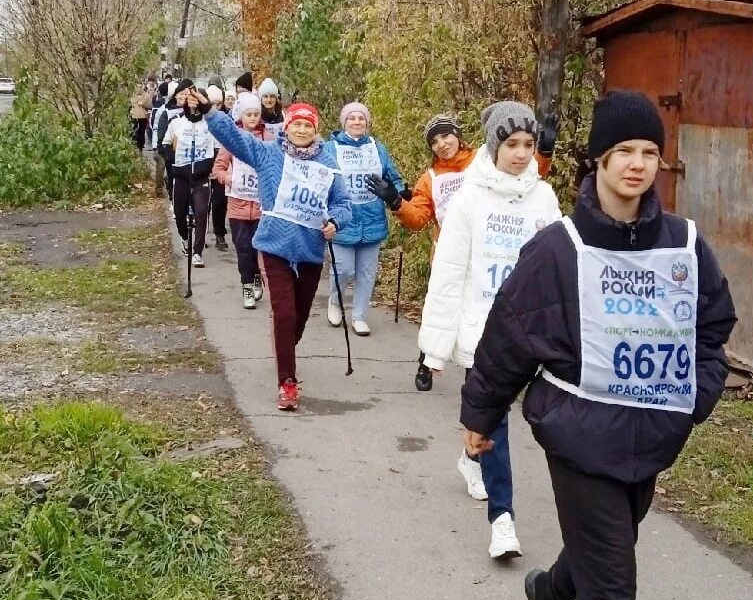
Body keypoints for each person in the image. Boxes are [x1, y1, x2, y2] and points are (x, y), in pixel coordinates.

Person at [461, 90, 736, 600]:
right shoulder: (559, 248)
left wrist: (695, 399)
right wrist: (480, 413)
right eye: (625, 153)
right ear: (600, 161)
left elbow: (715, 327)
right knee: (615, 577)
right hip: (580, 434)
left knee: (599, 553)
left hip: (652, 438)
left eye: (650, 152)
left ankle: (549, 593)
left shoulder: (683, 242)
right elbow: (509, 334)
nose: (639, 165)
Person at [417, 101, 561, 561]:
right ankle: (503, 520)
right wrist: (434, 348)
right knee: (495, 417)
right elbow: (449, 272)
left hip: (533, 331)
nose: (520, 154)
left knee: (539, 415)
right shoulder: (469, 200)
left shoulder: (544, 199)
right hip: (485, 331)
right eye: (512, 144)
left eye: (528, 145)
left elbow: (560, 270)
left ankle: (470, 455)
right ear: (495, 145)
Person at [370, 112, 557, 391]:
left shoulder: (482, 162)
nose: (442, 144)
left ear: (457, 135)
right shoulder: (430, 178)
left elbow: (527, 178)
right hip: (450, 254)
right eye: (434, 141)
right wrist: (396, 202)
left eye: (446, 135)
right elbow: (419, 218)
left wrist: (544, 151)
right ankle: (428, 361)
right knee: (441, 305)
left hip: (490, 251)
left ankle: (488, 380)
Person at [203, 91, 352, 411]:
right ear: (286, 127)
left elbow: (342, 204)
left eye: (307, 126)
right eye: (296, 124)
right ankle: (287, 382)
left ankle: (286, 347)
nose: (301, 130)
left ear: (315, 130)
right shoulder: (271, 154)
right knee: (283, 313)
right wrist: (209, 112)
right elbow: (236, 138)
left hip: (310, 249)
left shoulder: (328, 161)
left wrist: (336, 223)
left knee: (296, 320)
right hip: (274, 246)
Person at [321, 102, 406, 336]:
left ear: (367, 122)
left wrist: (398, 192)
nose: (357, 122)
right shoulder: (330, 148)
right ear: (344, 122)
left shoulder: (377, 147)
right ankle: (336, 303)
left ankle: (359, 316)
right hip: (342, 218)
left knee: (367, 273)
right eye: (352, 118)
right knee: (344, 268)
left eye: (361, 118)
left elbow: (391, 175)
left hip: (372, 218)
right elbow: (320, 177)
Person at [212, 91, 268, 309]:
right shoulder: (232, 141)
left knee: (257, 247)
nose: (253, 118)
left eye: (256, 114)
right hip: (238, 205)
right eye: (249, 114)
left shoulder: (267, 140)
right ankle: (246, 285)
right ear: (241, 116)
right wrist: (229, 178)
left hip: (261, 206)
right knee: (242, 246)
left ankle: (256, 277)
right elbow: (218, 168)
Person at [161, 85, 216, 267]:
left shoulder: (209, 123)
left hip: (201, 176)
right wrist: (172, 159)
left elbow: (217, 148)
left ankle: (198, 252)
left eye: (197, 99)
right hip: (182, 176)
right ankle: (185, 239)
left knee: (201, 213)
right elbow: (166, 144)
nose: (193, 102)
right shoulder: (177, 121)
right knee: (179, 213)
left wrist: (210, 165)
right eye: (190, 98)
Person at [154, 78, 192, 200]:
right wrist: (167, 154)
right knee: (174, 184)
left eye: (186, 95)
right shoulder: (167, 112)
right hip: (172, 155)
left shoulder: (193, 113)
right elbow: (162, 136)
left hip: (189, 155)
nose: (183, 97)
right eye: (181, 94)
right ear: (175, 95)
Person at [205, 85, 230, 252]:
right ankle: (201, 232)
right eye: (212, 103)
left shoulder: (227, 119)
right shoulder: (201, 118)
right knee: (204, 198)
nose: (215, 107)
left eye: (218, 104)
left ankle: (219, 234)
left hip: (222, 156)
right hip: (206, 158)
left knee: (220, 199)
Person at [130, 82, 153, 152]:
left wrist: (143, 104)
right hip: (134, 115)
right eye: (137, 87)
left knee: (142, 131)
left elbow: (150, 106)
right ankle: (134, 144)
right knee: (134, 130)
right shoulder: (133, 96)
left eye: (140, 87)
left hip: (143, 116)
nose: (139, 88)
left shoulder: (147, 96)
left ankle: (140, 146)